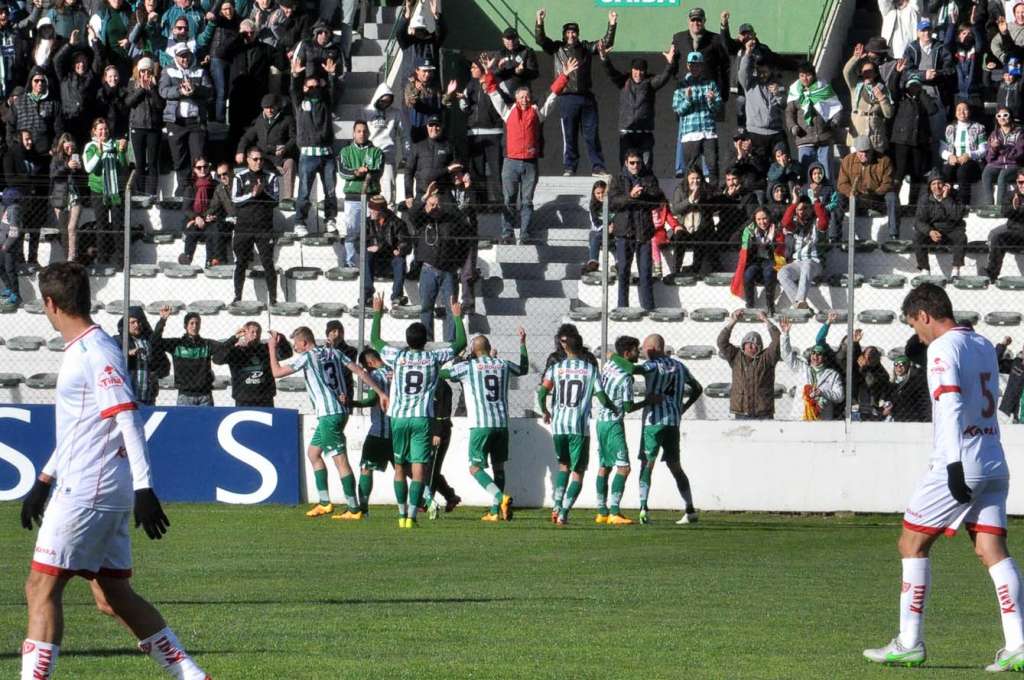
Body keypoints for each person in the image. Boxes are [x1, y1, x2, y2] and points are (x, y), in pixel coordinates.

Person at [18, 263, 207, 680]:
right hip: (90, 484)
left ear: (50, 304)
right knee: (113, 596)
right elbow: (82, 427)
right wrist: (43, 480)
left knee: (41, 587)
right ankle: (192, 676)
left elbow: (127, 418)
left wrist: (146, 488)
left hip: (89, 489)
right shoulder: (86, 348)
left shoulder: (95, 351)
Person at [863, 283, 1024, 671]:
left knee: (911, 543)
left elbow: (951, 402)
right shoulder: (983, 343)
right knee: (992, 551)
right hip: (993, 458)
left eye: (914, 325)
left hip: (960, 460)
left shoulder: (941, 347)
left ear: (925, 315)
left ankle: (909, 641)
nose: (916, 335)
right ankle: (1018, 644)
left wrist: (952, 465)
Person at [269, 325, 387, 520]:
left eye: (296, 344)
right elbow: (359, 371)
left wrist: (272, 348)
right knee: (313, 453)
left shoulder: (307, 357)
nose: (295, 348)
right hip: (339, 411)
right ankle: (325, 503)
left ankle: (353, 508)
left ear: (304, 342)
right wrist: (380, 391)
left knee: (340, 461)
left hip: (329, 415)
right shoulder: (334, 351)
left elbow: (277, 372)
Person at [369, 292, 466, 527]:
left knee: (400, 467)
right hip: (422, 418)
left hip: (398, 418)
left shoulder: (397, 356)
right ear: (426, 340)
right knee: (419, 467)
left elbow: (376, 341)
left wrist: (377, 314)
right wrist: (457, 317)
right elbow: (460, 344)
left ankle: (401, 515)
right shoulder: (433, 357)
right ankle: (412, 516)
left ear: (407, 339)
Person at [482, 53, 574, 245]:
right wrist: (488, 72)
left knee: (527, 202)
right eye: (521, 97)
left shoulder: (536, 113)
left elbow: (552, 96)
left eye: (527, 97)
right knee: (508, 201)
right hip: (510, 162)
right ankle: (507, 234)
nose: (524, 99)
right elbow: (492, 92)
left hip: (530, 163)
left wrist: (564, 76)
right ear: (515, 98)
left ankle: (524, 234)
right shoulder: (507, 112)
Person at [442, 329, 526, 522]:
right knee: (499, 467)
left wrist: (455, 357)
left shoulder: (469, 367)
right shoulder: (503, 364)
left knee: (475, 468)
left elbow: (444, 374)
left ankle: (500, 498)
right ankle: (496, 512)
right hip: (502, 424)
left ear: (473, 350)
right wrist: (522, 344)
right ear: (489, 348)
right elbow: (524, 369)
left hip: (480, 425)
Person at [538, 333, 617, 525]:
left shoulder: (555, 368)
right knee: (578, 472)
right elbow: (601, 396)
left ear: (565, 348)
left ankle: (556, 505)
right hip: (579, 427)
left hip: (559, 426)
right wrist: (613, 408)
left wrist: (545, 411)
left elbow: (542, 392)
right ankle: (564, 512)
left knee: (563, 466)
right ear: (581, 348)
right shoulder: (590, 370)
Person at [534, 7, 614, 176]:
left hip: (586, 98)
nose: (571, 35)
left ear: (578, 34)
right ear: (564, 35)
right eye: (568, 33)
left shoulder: (585, 47)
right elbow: (540, 40)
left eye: (574, 33)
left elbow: (604, 43)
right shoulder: (557, 48)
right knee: (569, 136)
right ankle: (570, 167)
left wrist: (612, 24)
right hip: (566, 97)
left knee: (592, 135)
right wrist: (540, 22)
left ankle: (597, 167)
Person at [634, 333, 703, 525]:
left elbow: (633, 369)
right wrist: (683, 407)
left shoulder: (652, 365)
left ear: (651, 349)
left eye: (644, 349)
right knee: (675, 466)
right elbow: (697, 388)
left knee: (647, 464)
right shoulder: (680, 366)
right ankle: (690, 510)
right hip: (673, 421)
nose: (643, 353)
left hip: (653, 422)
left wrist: (616, 360)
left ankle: (643, 509)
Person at [593, 335, 647, 525]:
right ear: (626, 353)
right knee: (624, 467)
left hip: (600, 423)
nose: (638, 352)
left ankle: (602, 511)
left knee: (604, 466)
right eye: (635, 349)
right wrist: (649, 401)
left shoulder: (608, 366)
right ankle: (615, 511)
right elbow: (628, 407)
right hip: (614, 424)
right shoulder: (626, 378)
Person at [597, 40, 675, 169]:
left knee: (646, 166)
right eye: (635, 69)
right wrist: (604, 58)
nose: (638, 73)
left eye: (641, 70)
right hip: (627, 133)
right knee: (626, 167)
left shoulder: (650, 83)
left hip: (645, 133)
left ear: (645, 71)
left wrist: (670, 63)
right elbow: (611, 72)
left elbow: (664, 77)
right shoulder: (624, 82)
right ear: (631, 70)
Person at [409, 181, 465, 341]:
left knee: (451, 308)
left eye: (437, 204)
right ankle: (427, 342)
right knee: (426, 308)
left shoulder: (450, 220)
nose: (434, 207)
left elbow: (463, 240)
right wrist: (424, 198)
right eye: (431, 204)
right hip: (428, 269)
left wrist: (458, 265)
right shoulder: (422, 221)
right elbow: (412, 214)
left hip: (449, 271)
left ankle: (451, 343)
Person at [608, 149, 663, 311]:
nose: (635, 166)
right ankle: (622, 307)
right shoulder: (618, 179)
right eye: (632, 162)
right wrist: (630, 196)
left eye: (638, 162)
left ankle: (648, 308)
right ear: (626, 163)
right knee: (623, 271)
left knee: (645, 273)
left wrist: (643, 194)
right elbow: (612, 203)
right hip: (624, 233)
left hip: (644, 232)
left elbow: (657, 199)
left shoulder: (649, 178)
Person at [290, 55, 339, 233]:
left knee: (331, 191)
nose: (313, 89)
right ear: (304, 88)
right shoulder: (300, 103)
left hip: (327, 154)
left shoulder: (326, 102)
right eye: (309, 86)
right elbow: (293, 90)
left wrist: (332, 76)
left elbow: (333, 90)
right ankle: (299, 223)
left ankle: (330, 219)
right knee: (304, 192)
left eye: (316, 86)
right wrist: (295, 76)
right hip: (308, 155)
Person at [158, 42, 210, 198]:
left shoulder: (200, 71)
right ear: (176, 57)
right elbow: (163, 91)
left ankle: (199, 191)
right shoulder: (168, 71)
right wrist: (179, 91)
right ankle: (183, 190)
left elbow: (210, 90)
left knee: (198, 158)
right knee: (179, 159)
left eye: (186, 55)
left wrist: (195, 89)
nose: (184, 59)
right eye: (181, 56)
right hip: (176, 122)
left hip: (196, 121)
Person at [152, 307, 231, 406]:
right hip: (185, 396)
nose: (195, 326)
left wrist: (235, 338)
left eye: (197, 323)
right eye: (192, 323)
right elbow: (155, 342)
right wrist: (162, 320)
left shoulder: (206, 344)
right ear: (185, 326)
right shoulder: (176, 344)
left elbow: (223, 347)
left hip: (205, 396)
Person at [231, 146, 280, 304]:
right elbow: (235, 200)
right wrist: (252, 195)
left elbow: (275, 200)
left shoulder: (271, 177)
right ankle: (237, 297)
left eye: (261, 159)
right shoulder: (239, 177)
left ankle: (273, 299)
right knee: (241, 262)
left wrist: (262, 191)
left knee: (268, 263)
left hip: (264, 228)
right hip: (243, 227)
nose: (259, 162)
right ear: (248, 159)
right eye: (255, 159)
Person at [350, 348, 393, 515]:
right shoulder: (395, 371)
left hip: (380, 430)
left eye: (366, 368)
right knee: (407, 470)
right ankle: (428, 500)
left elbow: (370, 400)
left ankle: (363, 508)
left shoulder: (375, 376)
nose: (366, 371)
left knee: (366, 467)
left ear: (369, 363)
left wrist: (351, 404)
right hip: (398, 429)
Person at [717, 309, 782, 419]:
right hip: (741, 412)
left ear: (760, 347)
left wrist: (766, 320)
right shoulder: (736, 356)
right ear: (743, 346)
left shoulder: (767, 357)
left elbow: (777, 340)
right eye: (748, 343)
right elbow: (721, 342)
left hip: (763, 413)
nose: (751, 346)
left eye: (755, 344)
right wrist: (733, 321)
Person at [82, 118, 129, 268]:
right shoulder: (90, 147)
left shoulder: (115, 144)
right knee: (101, 225)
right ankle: (102, 259)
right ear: (94, 131)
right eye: (100, 129)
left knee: (117, 225)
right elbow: (89, 168)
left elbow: (123, 166)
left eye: (105, 129)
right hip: (98, 191)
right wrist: (99, 152)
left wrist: (121, 152)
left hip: (114, 191)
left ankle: (121, 259)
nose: (103, 132)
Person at [213, 320, 292, 407]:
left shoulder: (266, 349)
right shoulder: (236, 350)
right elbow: (217, 359)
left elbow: (287, 353)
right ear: (244, 333)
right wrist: (234, 338)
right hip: (243, 398)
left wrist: (280, 337)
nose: (256, 335)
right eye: (252, 332)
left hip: (265, 397)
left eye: (258, 332)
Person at [785, 61, 842, 180]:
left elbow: (836, 107)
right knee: (806, 174)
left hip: (824, 137)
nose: (805, 78)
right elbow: (789, 113)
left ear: (814, 75)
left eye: (808, 75)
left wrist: (835, 121)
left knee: (826, 174)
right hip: (804, 138)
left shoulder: (824, 87)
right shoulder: (795, 91)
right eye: (801, 75)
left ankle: (829, 197)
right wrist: (793, 127)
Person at [236, 94, 296, 204]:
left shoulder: (287, 119)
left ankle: (288, 198)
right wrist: (240, 151)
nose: (269, 110)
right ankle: (261, 195)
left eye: (272, 107)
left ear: (277, 106)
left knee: (290, 163)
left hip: (281, 156)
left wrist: (285, 148)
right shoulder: (259, 121)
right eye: (266, 107)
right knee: (257, 162)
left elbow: (294, 138)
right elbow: (247, 137)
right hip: (264, 156)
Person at [779, 317, 844, 421]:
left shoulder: (833, 375)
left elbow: (840, 396)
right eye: (813, 353)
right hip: (800, 418)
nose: (815, 356)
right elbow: (785, 355)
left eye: (819, 354)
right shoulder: (802, 367)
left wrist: (822, 392)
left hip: (822, 420)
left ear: (825, 357)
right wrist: (785, 334)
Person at [837, 135, 901, 240]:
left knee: (892, 196)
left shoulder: (884, 160)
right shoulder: (847, 161)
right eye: (861, 152)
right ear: (856, 151)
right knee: (838, 198)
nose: (864, 154)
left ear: (872, 150)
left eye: (867, 151)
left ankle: (894, 235)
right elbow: (842, 184)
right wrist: (851, 192)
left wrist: (875, 193)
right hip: (855, 198)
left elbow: (888, 183)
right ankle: (835, 237)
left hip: (877, 199)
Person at [458, 58, 503, 204]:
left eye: (474, 67)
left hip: (493, 134)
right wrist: (463, 100)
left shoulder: (495, 81)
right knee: (477, 172)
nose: (471, 70)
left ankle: (501, 203)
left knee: (497, 171)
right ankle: (481, 204)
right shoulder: (470, 85)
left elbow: (502, 101)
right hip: (474, 135)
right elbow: (464, 107)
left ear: (481, 69)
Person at [339, 119, 383, 269]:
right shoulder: (345, 151)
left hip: (372, 198)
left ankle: (372, 264)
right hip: (352, 198)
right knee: (352, 231)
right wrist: (357, 172)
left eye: (364, 131)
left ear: (368, 133)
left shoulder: (377, 152)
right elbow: (343, 172)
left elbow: (377, 171)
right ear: (353, 133)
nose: (362, 134)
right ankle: (350, 262)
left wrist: (365, 172)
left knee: (373, 232)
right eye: (358, 131)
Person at [672, 51, 721, 185]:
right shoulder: (682, 85)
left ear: (702, 66)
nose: (695, 68)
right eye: (692, 65)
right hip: (690, 133)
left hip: (708, 132)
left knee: (712, 166)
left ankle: (713, 195)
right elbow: (678, 110)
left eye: (697, 65)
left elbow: (718, 108)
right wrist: (688, 100)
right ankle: (690, 195)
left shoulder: (710, 84)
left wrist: (711, 101)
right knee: (691, 168)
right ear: (688, 66)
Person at [889, 74, 938, 207]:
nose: (913, 88)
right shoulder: (901, 98)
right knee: (899, 172)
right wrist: (897, 74)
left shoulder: (923, 99)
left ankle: (913, 203)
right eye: (911, 86)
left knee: (917, 173)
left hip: (918, 142)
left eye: (916, 86)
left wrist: (921, 93)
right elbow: (893, 90)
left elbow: (933, 109)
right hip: (902, 141)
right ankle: (893, 203)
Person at [738, 39, 786, 165]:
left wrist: (778, 94)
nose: (762, 75)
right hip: (755, 133)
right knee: (758, 167)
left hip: (776, 132)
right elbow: (743, 72)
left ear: (771, 70)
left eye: (765, 72)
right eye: (759, 72)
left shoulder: (779, 84)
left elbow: (784, 105)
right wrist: (748, 53)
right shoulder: (749, 84)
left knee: (781, 165)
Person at [730, 207, 785, 314]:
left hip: (771, 260)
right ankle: (750, 305)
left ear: (769, 218)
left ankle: (770, 305)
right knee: (748, 274)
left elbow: (781, 249)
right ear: (755, 220)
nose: (762, 222)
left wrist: (772, 244)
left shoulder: (776, 228)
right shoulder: (749, 229)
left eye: (764, 218)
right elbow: (733, 241)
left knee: (769, 273)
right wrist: (748, 240)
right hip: (755, 261)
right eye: (758, 219)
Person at [113, 305, 169, 406]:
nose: (136, 325)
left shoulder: (148, 341)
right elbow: (112, 359)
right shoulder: (119, 340)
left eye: (139, 322)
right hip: (129, 397)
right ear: (126, 324)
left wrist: (162, 320)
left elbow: (163, 363)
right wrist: (128, 354)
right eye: (133, 322)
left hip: (148, 397)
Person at [779, 193, 828, 310]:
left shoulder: (817, 222)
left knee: (807, 264)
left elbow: (824, 222)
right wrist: (794, 202)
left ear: (811, 209)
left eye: (805, 208)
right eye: (799, 209)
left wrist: (816, 200)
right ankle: (800, 305)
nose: (802, 212)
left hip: (815, 263)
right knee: (782, 273)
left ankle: (800, 300)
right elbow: (785, 222)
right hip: (797, 262)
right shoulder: (794, 225)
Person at [124, 56, 163, 201]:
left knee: (152, 162)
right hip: (137, 127)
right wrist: (141, 89)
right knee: (139, 162)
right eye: (143, 71)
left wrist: (152, 89)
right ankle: (140, 193)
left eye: (148, 71)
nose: (145, 74)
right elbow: (128, 102)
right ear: (138, 72)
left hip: (153, 127)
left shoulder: (156, 85)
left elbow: (160, 106)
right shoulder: (132, 83)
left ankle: (152, 193)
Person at [914, 173, 967, 276]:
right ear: (930, 186)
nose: (937, 187)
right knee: (917, 237)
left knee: (961, 237)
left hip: (952, 229)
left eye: (939, 183)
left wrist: (946, 199)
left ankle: (956, 269)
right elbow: (918, 221)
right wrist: (930, 231)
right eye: (933, 184)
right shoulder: (925, 199)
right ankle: (925, 269)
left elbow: (957, 215)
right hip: (934, 231)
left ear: (945, 185)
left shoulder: (955, 196)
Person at [365, 194, 412, 307]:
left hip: (391, 262)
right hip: (374, 262)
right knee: (366, 255)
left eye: (373, 209)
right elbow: (358, 242)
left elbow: (405, 243)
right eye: (370, 208)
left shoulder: (397, 223)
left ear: (381, 210)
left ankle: (397, 296)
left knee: (399, 259)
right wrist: (367, 248)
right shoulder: (367, 222)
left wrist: (400, 249)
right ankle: (367, 296)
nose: (370, 211)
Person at [178, 156, 226, 267]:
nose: (202, 170)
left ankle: (212, 260)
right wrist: (196, 218)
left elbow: (220, 205)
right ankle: (188, 256)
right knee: (193, 228)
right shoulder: (190, 186)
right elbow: (186, 208)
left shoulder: (216, 185)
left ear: (209, 168)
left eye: (205, 167)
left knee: (212, 230)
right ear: (194, 169)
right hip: (194, 219)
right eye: (199, 167)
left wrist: (212, 216)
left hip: (210, 219)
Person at [940, 99, 986, 206]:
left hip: (973, 162)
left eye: (965, 109)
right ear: (955, 113)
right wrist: (949, 156)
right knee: (946, 170)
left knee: (962, 171)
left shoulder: (979, 128)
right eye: (959, 110)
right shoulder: (950, 128)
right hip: (954, 160)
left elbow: (983, 150)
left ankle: (963, 205)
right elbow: (942, 148)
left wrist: (969, 155)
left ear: (969, 112)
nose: (962, 112)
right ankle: (947, 202)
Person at [48, 133, 86, 263]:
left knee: (72, 227)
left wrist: (81, 169)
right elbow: (53, 174)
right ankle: (67, 257)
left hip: (75, 196)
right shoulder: (56, 159)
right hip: (60, 196)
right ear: (62, 146)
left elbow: (84, 179)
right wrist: (66, 167)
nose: (70, 150)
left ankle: (72, 257)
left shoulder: (76, 157)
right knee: (64, 230)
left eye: (72, 147)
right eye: (67, 147)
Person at [985, 168, 1024, 281]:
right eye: (1020, 182)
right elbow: (1004, 212)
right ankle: (991, 274)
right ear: (1017, 182)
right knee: (997, 238)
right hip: (1016, 235)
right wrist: (1014, 208)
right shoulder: (1012, 195)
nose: (1022, 185)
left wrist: (1019, 209)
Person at [366, 83, 400, 205]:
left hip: (388, 158)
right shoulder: (367, 112)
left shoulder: (396, 113)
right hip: (370, 158)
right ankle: (369, 221)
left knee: (389, 192)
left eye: (388, 101)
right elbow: (361, 133)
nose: (385, 104)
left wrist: (406, 154)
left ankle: (389, 216)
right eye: (383, 101)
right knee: (370, 191)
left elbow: (404, 135)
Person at [983, 106, 1024, 208]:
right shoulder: (994, 134)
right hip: (996, 164)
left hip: (1014, 165)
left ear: (1010, 117)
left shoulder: (1020, 133)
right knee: (986, 173)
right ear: (996, 119)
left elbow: (1018, 153)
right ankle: (989, 205)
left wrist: (1001, 148)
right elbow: (988, 158)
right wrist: (993, 149)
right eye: (999, 116)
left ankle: (999, 207)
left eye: (1005, 115)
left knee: (1002, 176)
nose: (1002, 118)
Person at [882, 354, 931, 421]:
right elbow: (885, 401)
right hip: (896, 418)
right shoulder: (890, 385)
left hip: (911, 418)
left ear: (908, 366)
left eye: (902, 364)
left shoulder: (915, 383)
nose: (899, 367)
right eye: (896, 364)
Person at [494, 26, 539, 93]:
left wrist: (522, 72)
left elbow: (535, 73)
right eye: (508, 39)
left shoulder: (527, 51)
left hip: (522, 95)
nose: (511, 42)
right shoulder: (500, 53)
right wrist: (500, 69)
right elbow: (494, 74)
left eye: (513, 39)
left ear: (518, 39)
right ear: (503, 40)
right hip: (504, 95)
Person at [584, 179, 607, 273]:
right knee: (595, 235)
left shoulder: (613, 204)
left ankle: (618, 264)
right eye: (598, 193)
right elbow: (595, 223)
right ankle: (593, 262)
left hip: (613, 232)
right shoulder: (593, 205)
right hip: (599, 232)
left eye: (603, 192)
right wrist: (606, 228)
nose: (601, 195)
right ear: (594, 194)